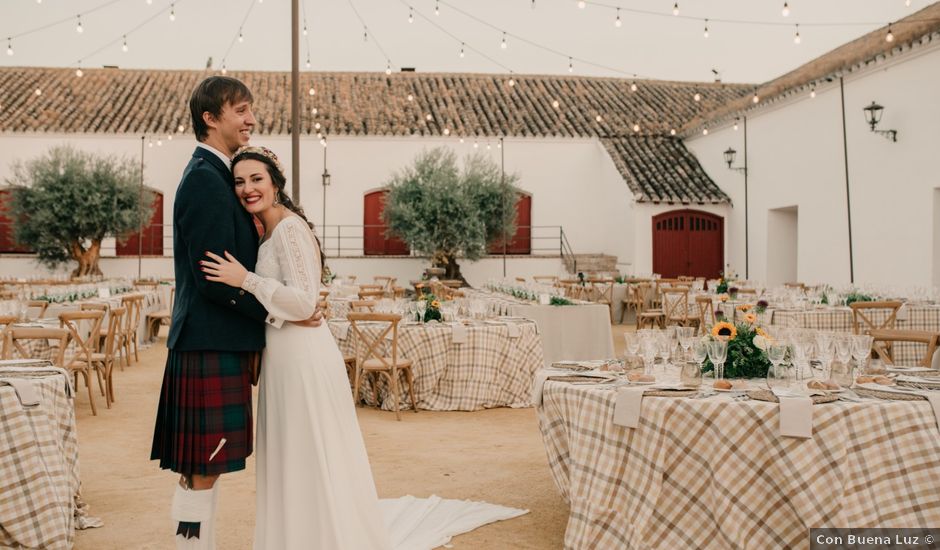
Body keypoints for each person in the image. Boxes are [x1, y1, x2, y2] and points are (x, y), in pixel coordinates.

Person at [201, 146, 527, 549]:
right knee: (293, 452)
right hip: (283, 354)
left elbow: (305, 301)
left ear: (275, 183)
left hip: (302, 356)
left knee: (310, 449)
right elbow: (294, 303)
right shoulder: (266, 232)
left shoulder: (288, 228)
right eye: (239, 181)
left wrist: (245, 279)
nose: (248, 188)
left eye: (256, 179)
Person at [150, 76, 321, 550]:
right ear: (211, 118)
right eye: (241, 110)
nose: (250, 119)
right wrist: (276, 314)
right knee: (203, 467)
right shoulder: (205, 179)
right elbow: (212, 278)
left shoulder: (218, 174)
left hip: (216, 341)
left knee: (204, 466)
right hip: (209, 340)